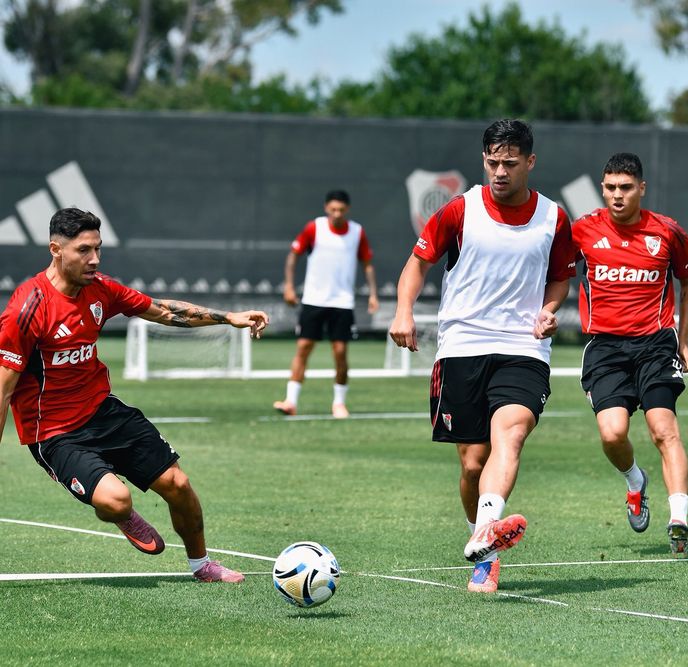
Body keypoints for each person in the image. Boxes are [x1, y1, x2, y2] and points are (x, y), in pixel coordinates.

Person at [0, 208, 269, 582]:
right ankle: (123, 516)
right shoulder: (27, 309)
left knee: (179, 484)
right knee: (116, 500)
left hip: (102, 411)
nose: (94, 259)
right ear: (55, 250)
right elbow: (4, 387)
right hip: (55, 434)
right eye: (83, 250)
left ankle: (203, 565)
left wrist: (229, 317)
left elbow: (163, 312)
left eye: (98, 249)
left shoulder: (101, 289)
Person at [389, 119, 576, 593]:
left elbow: (559, 278)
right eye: (492, 162)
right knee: (473, 464)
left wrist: (550, 310)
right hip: (462, 345)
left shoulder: (554, 217)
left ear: (530, 163)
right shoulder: (460, 209)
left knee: (508, 437)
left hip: (523, 348)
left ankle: (486, 555)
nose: (499, 171)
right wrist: (404, 311)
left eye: (510, 163)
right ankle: (481, 534)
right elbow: (417, 264)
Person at [571, 152, 688, 556]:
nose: (617, 195)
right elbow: (553, 271)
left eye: (626, 188)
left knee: (664, 429)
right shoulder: (582, 231)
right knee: (613, 433)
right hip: (605, 347)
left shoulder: (668, 232)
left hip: (656, 344)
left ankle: (679, 519)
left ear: (641, 188)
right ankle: (635, 482)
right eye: (610, 188)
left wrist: (684, 339)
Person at [273, 190, 378, 419]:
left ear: (347, 209)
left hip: (342, 302)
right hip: (314, 300)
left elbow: (367, 264)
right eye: (333, 209)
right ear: (326, 208)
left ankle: (339, 404)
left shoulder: (357, 232)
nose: (337, 214)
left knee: (340, 352)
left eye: (341, 210)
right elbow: (293, 256)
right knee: (303, 348)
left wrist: (373, 294)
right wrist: (289, 287)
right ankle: (290, 401)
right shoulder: (314, 228)